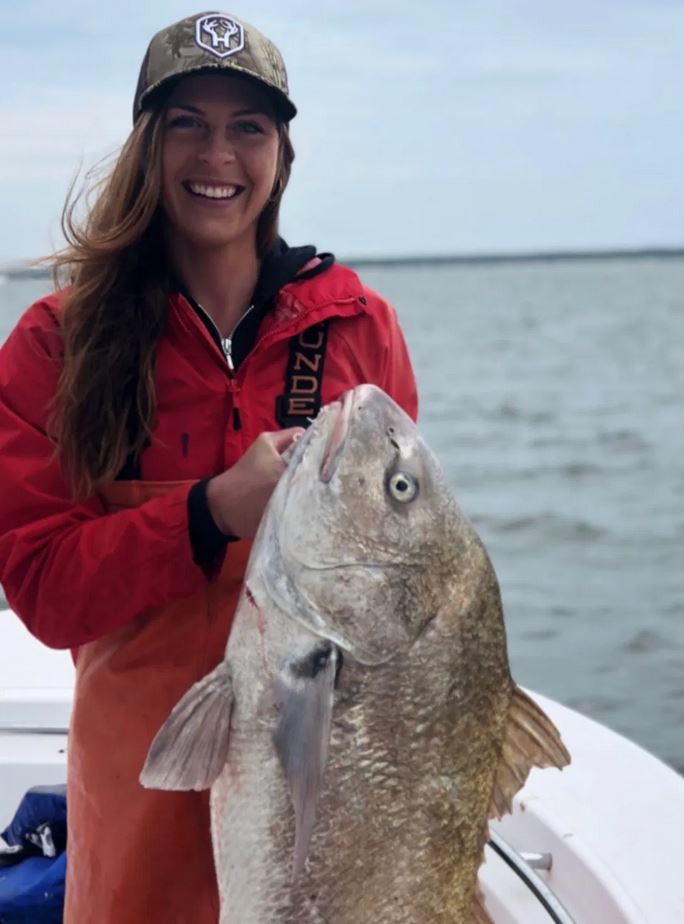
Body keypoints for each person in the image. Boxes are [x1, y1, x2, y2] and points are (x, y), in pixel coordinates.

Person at [0, 11, 417, 922]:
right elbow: (41, 587)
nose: (217, 154)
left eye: (247, 128)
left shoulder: (358, 328)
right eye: (187, 123)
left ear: (282, 154)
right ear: (146, 146)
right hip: (138, 809)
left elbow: (404, 586)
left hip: (321, 805)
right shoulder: (55, 345)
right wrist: (208, 513)